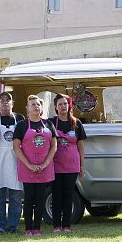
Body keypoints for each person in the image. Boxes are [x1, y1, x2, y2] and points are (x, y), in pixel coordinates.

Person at [14, 95, 58, 236]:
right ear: (27, 108)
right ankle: (28, 228)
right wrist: (29, 165)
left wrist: (46, 163)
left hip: (44, 168)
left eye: (38, 104)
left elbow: (54, 146)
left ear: (41, 107)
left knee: (40, 199)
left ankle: (37, 228)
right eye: (32, 104)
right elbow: (16, 147)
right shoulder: (21, 125)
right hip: (27, 168)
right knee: (29, 199)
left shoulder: (48, 124)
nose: (36, 106)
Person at [51, 93, 85, 233]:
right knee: (56, 195)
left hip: (72, 165)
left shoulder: (76, 123)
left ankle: (66, 225)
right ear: (56, 107)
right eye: (60, 104)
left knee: (68, 195)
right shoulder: (51, 122)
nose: (63, 106)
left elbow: (81, 146)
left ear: (69, 105)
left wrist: (82, 166)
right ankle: (56, 226)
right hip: (55, 165)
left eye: (65, 103)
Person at [0, 92, 25, 234]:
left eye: (8, 100)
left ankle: (12, 226)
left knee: (16, 198)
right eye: (2, 100)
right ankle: (0, 226)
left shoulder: (20, 119)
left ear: (12, 103)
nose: (5, 102)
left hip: (16, 161)